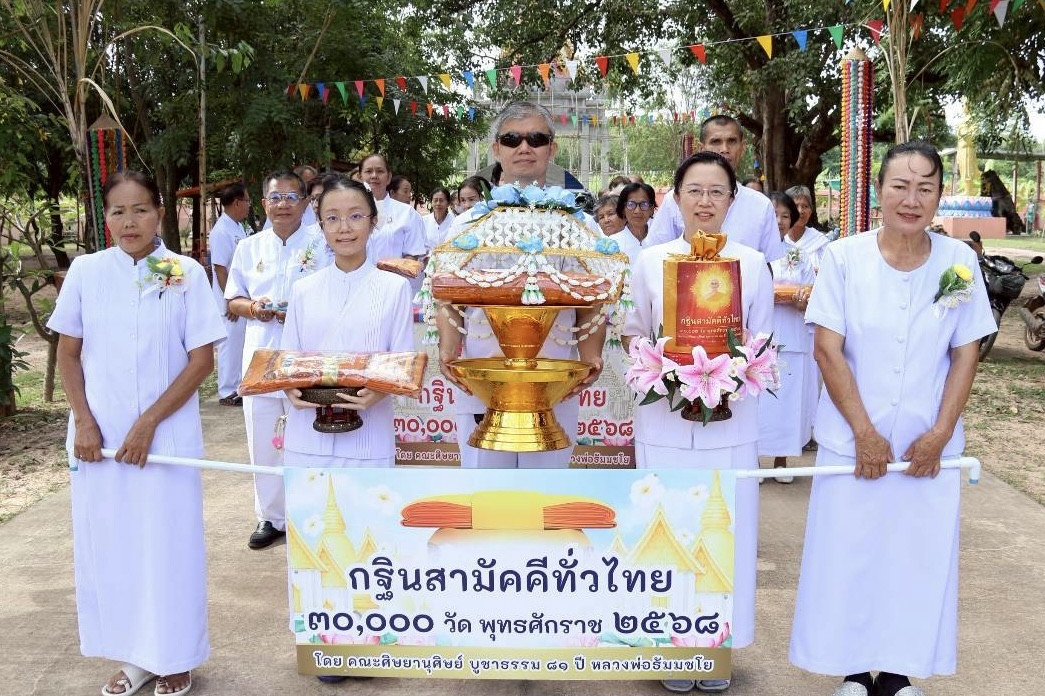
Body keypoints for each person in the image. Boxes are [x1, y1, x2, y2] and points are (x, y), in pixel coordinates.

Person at [789, 142, 996, 696]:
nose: (912, 199)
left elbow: (965, 351)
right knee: (850, 554)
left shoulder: (958, 262)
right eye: (900, 186)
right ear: (878, 192)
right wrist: (864, 433)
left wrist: (939, 433)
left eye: (925, 188)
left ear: (938, 197)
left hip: (928, 448)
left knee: (916, 559)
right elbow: (828, 349)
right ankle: (854, 672)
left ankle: (899, 675)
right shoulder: (844, 259)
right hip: (852, 440)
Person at [49, 171, 225, 696]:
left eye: (141, 209)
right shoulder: (86, 271)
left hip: (166, 442)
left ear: (159, 213)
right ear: (106, 218)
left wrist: (149, 422)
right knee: (114, 548)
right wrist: (83, 420)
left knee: (168, 548)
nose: (131, 222)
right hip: (98, 443)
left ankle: (175, 657)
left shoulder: (184, 272)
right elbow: (68, 353)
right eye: (119, 211)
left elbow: (202, 360)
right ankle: (133, 659)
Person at [624, 152, 773, 694]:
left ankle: (716, 650)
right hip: (665, 422)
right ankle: (671, 648)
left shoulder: (752, 264)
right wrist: (667, 374)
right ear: (675, 198)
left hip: (731, 422)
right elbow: (636, 332)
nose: (705, 202)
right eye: (694, 191)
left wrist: (733, 378)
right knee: (669, 529)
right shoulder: (651, 260)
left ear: (732, 202)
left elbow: (760, 342)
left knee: (724, 533)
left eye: (717, 192)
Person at [437, 101, 606, 469]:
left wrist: (591, 356)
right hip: (483, 375)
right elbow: (446, 293)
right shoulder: (467, 225)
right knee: (486, 496)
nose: (524, 147)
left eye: (536, 138)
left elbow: (594, 298)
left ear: (552, 148)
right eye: (512, 139)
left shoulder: (580, 226)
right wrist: (448, 350)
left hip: (555, 377)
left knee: (545, 496)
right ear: (496, 149)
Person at [225, 170, 332, 550]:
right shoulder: (248, 247)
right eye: (275, 197)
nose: (283, 204)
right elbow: (232, 299)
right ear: (263, 203)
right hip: (261, 357)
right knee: (263, 440)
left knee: (310, 436)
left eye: (291, 197)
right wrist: (255, 308)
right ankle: (271, 517)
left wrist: (301, 311)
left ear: (305, 203)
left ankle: (312, 513)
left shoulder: (324, 244)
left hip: (308, 356)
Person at [647, 115, 785, 262]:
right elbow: (655, 257)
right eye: (716, 142)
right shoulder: (676, 200)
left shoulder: (761, 205)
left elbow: (771, 265)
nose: (724, 149)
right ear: (701, 148)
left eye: (731, 141)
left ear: (743, 147)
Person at [757, 191, 816, 484]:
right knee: (757, 400)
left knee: (787, 401)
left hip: (792, 335)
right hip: (759, 337)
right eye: (774, 215)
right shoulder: (752, 253)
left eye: (785, 216)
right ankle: (754, 460)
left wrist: (801, 299)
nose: (780, 221)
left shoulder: (800, 256)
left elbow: (813, 294)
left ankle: (781, 461)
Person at [210, 182, 250, 407]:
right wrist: (230, 299)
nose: (248, 206)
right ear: (237, 202)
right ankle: (227, 391)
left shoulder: (237, 227)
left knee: (238, 346)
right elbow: (220, 268)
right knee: (230, 345)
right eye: (247, 201)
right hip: (229, 299)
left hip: (239, 295)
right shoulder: (221, 230)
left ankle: (237, 387)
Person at [358, 154, 426, 262]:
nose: (374, 175)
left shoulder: (406, 213)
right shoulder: (349, 212)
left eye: (380, 171)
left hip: (395, 276)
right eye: (368, 171)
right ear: (360, 177)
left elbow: (412, 255)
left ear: (389, 177)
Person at [784, 185, 830, 271]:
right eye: (796, 206)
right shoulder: (778, 240)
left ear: (811, 211)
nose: (801, 211)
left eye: (805, 206)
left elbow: (829, 273)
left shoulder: (820, 242)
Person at [609, 182, 657, 264]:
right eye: (631, 205)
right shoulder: (613, 242)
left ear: (651, 209)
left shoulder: (660, 239)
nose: (637, 211)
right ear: (623, 209)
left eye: (644, 204)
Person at [422, 186, 455, 251]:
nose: (438, 203)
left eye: (441, 200)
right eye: (435, 200)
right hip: (426, 259)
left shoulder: (455, 221)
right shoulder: (423, 221)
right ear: (431, 202)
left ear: (448, 203)